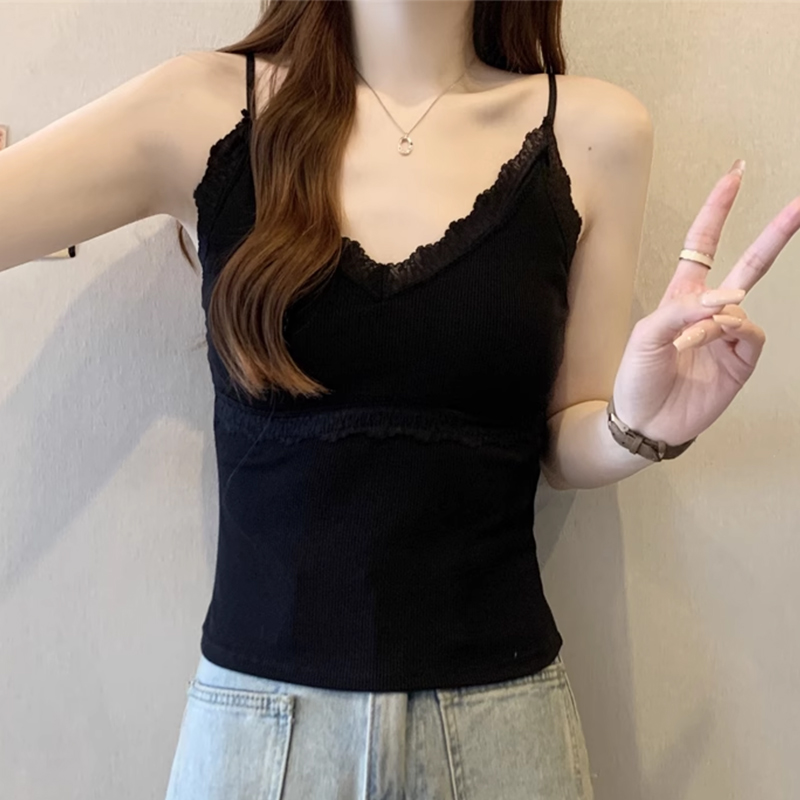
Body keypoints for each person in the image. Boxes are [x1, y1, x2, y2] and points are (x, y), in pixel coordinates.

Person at [1, 1, 798, 798]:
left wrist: (638, 427)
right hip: (258, 737)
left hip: (501, 733)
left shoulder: (595, 132)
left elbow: (564, 442)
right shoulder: (199, 108)